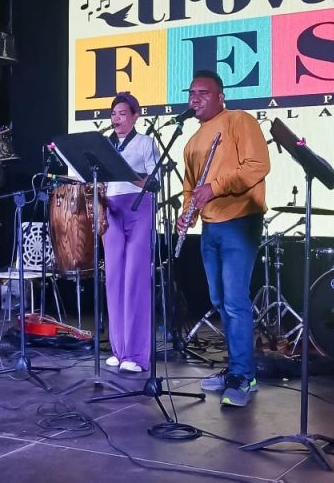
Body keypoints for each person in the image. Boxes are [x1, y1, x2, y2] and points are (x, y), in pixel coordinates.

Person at [177, 70, 270, 407]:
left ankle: (244, 376)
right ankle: (235, 369)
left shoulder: (238, 121)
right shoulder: (191, 142)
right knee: (219, 300)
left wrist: (214, 187)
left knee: (234, 300)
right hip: (211, 227)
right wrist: (186, 215)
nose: (195, 98)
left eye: (203, 92)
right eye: (192, 93)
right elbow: (190, 189)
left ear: (220, 96)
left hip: (240, 220)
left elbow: (257, 165)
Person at [102, 92, 159, 373]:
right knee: (113, 278)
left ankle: (136, 355)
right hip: (111, 209)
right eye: (113, 114)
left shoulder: (146, 143)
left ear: (136, 116)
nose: (117, 119)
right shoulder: (106, 145)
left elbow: (155, 181)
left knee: (135, 279)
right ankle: (119, 349)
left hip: (139, 207)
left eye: (123, 113)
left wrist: (128, 174)